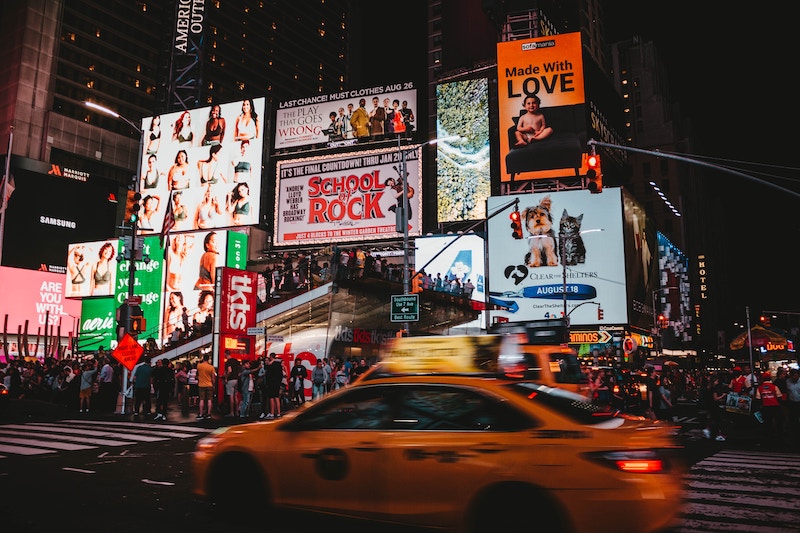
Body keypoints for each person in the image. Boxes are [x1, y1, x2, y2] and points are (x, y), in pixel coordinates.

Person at [755, 371, 784, 440]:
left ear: (763, 379)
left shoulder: (759, 388)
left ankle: (769, 436)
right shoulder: (775, 387)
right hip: (775, 407)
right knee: (778, 421)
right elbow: (779, 397)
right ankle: (780, 435)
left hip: (766, 407)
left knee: (768, 422)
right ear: (770, 379)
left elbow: (758, 399)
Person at [259, 353, 285, 419]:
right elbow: (281, 375)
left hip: (271, 383)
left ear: (271, 357)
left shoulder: (270, 365)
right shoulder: (278, 364)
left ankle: (272, 413)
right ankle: (278, 413)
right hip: (277, 383)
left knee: (271, 398)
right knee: (277, 397)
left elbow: (267, 371)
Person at [196, 353, 216, 420]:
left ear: (203, 358)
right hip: (209, 384)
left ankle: (201, 414)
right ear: (208, 359)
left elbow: (197, 374)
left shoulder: (199, 366)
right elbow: (213, 377)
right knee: (209, 400)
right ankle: (209, 414)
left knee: (201, 400)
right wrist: (213, 385)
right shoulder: (211, 367)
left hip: (201, 385)